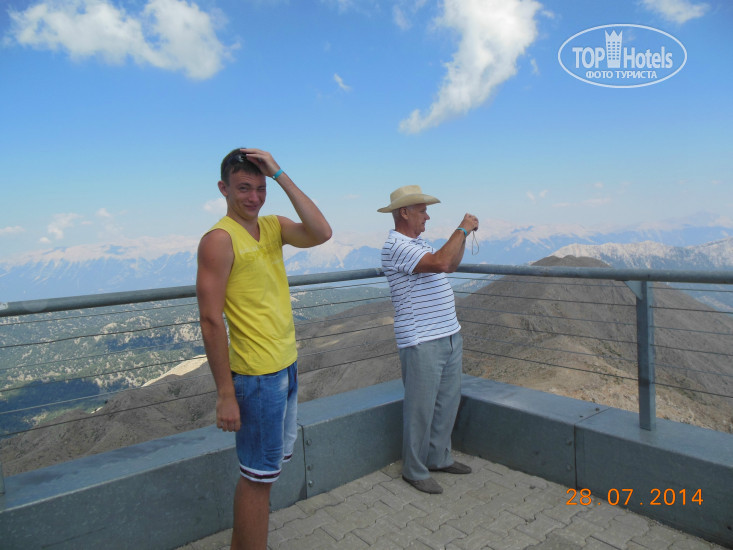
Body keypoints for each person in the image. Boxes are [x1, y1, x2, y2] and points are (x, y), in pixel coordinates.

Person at [196, 147, 331, 550]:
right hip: (255, 377)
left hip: (285, 366)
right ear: (223, 188)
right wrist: (225, 394)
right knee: (257, 480)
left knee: (265, 475)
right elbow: (210, 320)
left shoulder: (273, 227)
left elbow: (322, 232)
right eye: (243, 188)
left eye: (260, 188)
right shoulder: (219, 240)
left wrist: (280, 174)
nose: (254, 197)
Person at [379, 185, 479, 495]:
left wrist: (462, 238)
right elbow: (442, 264)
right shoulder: (396, 245)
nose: (427, 216)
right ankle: (414, 469)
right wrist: (462, 229)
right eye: (422, 211)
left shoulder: (419, 244)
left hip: (447, 334)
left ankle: (439, 458)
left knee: (447, 402)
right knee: (420, 409)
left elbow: (452, 263)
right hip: (422, 339)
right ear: (404, 213)